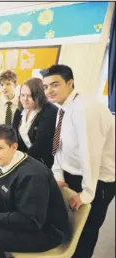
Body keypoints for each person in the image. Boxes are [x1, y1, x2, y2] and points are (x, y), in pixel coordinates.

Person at [0, 125, 71, 258]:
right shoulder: (1, 159)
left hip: (45, 231)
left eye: (0, 147)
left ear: (14, 147)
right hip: (14, 209)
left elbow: (31, 221)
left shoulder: (32, 176)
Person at [42, 64, 115, 258]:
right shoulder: (63, 108)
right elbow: (60, 144)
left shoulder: (85, 110)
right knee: (70, 230)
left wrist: (87, 194)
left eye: (54, 85)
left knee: (85, 235)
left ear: (70, 83)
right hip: (74, 175)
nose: (49, 90)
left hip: (97, 182)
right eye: (45, 86)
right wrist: (58, 173)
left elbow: (90, 154)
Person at [12, 77, 57, 169]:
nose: (25, 99)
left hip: (44, 162)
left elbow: (41, 144)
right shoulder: (20, 110)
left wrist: (20, 161)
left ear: (39, 96)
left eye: (29, 95)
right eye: (22, 95)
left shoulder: (50, 112)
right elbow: (13, 136)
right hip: (25, 159)